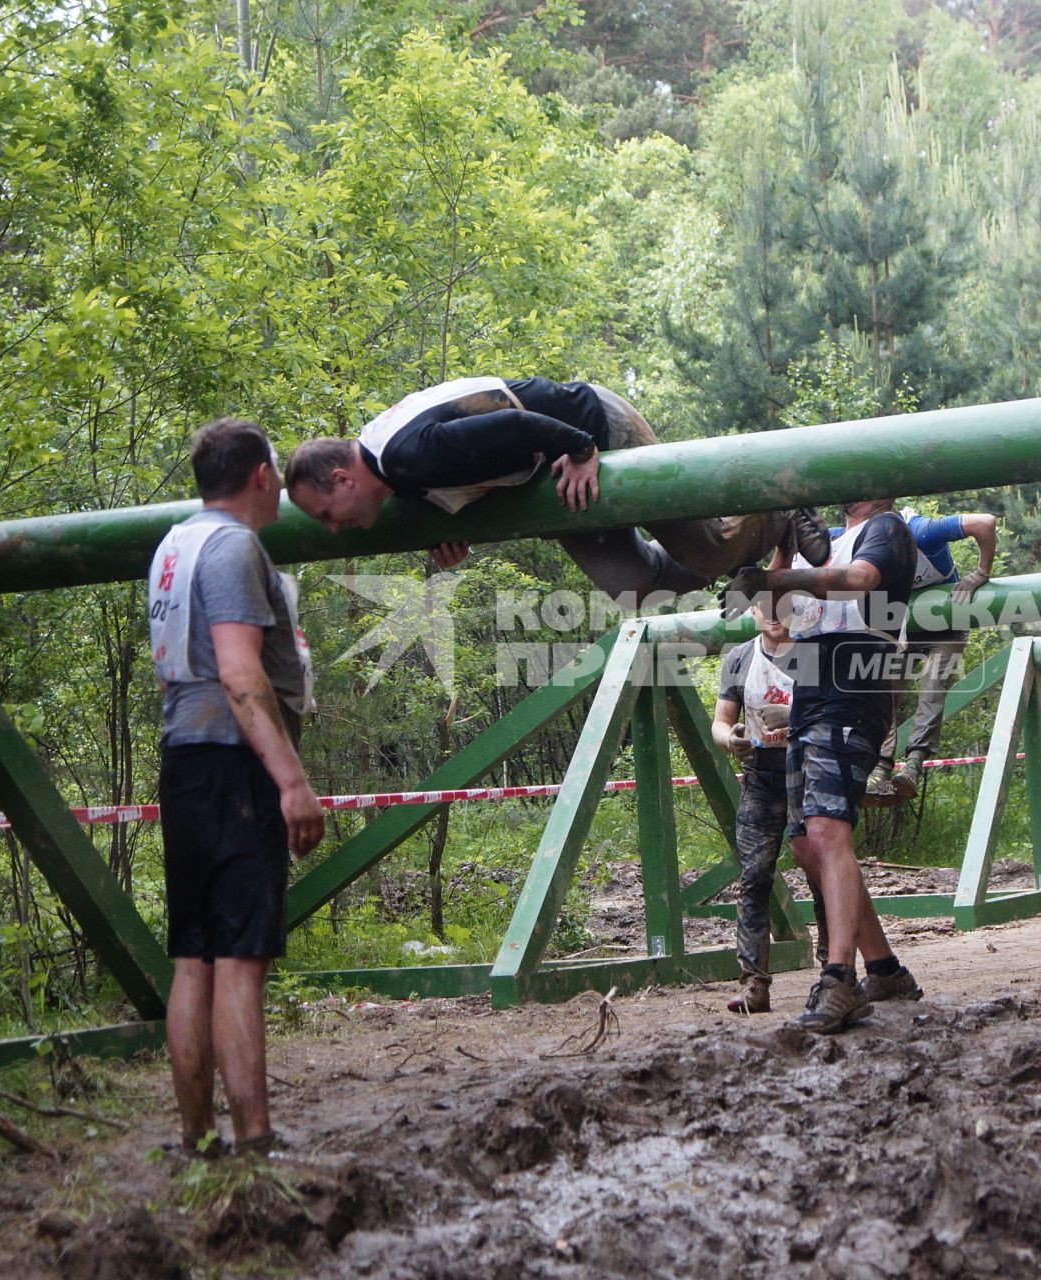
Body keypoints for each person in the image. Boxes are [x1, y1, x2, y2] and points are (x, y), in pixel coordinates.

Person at [148, 417, 325, 1158]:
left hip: (184, 758)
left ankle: (196, 1138)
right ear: (260, 474)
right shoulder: (233, 547)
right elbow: (241, 672)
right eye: (278, 473)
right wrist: (291, 781)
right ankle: (254, 1138)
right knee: (241, 959)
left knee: (194, 954)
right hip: (235, 762)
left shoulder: (174, 544)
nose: (282, 485)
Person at [283, 376, 828, 599]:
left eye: (328, 512)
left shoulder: (403, 455)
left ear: (341, 477)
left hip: (593, 429)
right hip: (547, 477)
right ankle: (744, 558)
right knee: (634, 586)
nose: (334, 528)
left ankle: (778, 511)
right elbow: (468, 476)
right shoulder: (390, 469)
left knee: (706, 551)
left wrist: (585, 450)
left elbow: (513, 424)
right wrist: (449, 536)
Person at [721, 495, 924, 1033]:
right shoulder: (824, 542)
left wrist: (782, 581)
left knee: (828, 829)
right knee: (806, 841)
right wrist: (783, 549)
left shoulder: (885, 528)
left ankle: (839, 978)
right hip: (811, 684)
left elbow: (858, 580)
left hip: (857, 679)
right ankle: (884, 969)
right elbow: (775, 603)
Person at [710, 603, 827, 1013]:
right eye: (765, 607)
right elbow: (721, 721)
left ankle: (834, 974)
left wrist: (795, 718)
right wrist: (731, 740)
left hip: (811, 774)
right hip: (761, 777)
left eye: (784, 607)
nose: (774, 616)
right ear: (753, 611)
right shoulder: (740, 658)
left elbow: (837, 713)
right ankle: (753, 984)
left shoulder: (815, 651)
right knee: (754, 875)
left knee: (820, 870)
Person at [852, 506, 999, 805]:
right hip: (904, 624)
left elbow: (985, 522)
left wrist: (981, 573)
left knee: (933, 683)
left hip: (946, 624)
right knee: (883, 686)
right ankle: (880, 766)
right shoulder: (861, 540)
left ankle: (915, 763)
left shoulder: (922, 532)